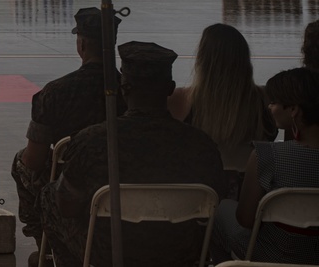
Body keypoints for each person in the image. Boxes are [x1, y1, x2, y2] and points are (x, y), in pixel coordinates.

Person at [39, 41, 225, 267]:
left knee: (50, 196)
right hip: (180, 252)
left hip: (108, 251)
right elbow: (217, 204)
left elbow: (66, 206)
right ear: (169, 88)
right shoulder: (201, 145)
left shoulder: (93, 141)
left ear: (123, 87)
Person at [11, 8, 123, 256]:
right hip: (121, 182)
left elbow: (34, 159)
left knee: (20, 162)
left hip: (69, 186)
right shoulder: (129, 92)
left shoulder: (55, 93)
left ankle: (46, 243)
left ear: (81, 44)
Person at [211, 67, 319, 264]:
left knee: (221, 209)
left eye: (274, 102)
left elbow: (245, 219)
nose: (269, 107)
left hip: (273, 255)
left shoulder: (266, 155)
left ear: (293, 109)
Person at [167, 24, 276, 196]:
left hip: (202, 193)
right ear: (245, 59)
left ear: (202, 60)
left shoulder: (179, 100)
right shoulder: (267, 98)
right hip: (255, 196)